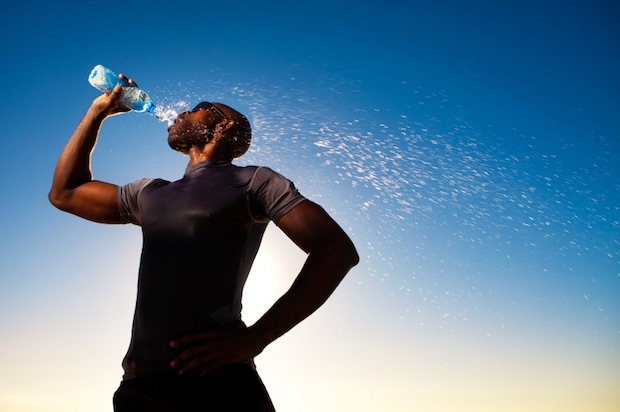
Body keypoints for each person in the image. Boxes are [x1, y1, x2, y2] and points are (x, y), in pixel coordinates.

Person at [48, 73, 359, 411]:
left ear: (223, 127)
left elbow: (336, 249)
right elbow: (65, 193)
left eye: (199, 108)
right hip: (141, 387)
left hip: (219, 385)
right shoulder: (149, 192)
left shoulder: (254, 181)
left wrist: (256, 338)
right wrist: (98, 112)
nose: (182, 111)